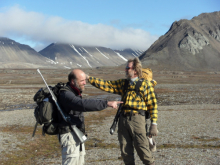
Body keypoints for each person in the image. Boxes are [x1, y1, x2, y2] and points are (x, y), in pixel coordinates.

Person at [87, 58, 158, 165]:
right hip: (122, 120)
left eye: (127, 68)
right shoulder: (123, 83)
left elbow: (152, 105)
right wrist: (89, 78)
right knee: (125, 152)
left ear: (135, 70)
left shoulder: (145, 85)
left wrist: (154, 124)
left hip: (137, 120)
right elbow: (107, 84)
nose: (125, 70)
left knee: (143, 150)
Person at [57, 69, 122, 165]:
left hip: (77, 133)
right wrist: (106, 103)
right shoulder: (66, 94)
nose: (85, 83)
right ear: (72, 81)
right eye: (82, 81)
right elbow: (82, 104)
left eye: (85, 80)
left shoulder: (73, 91)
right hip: (69, 136)